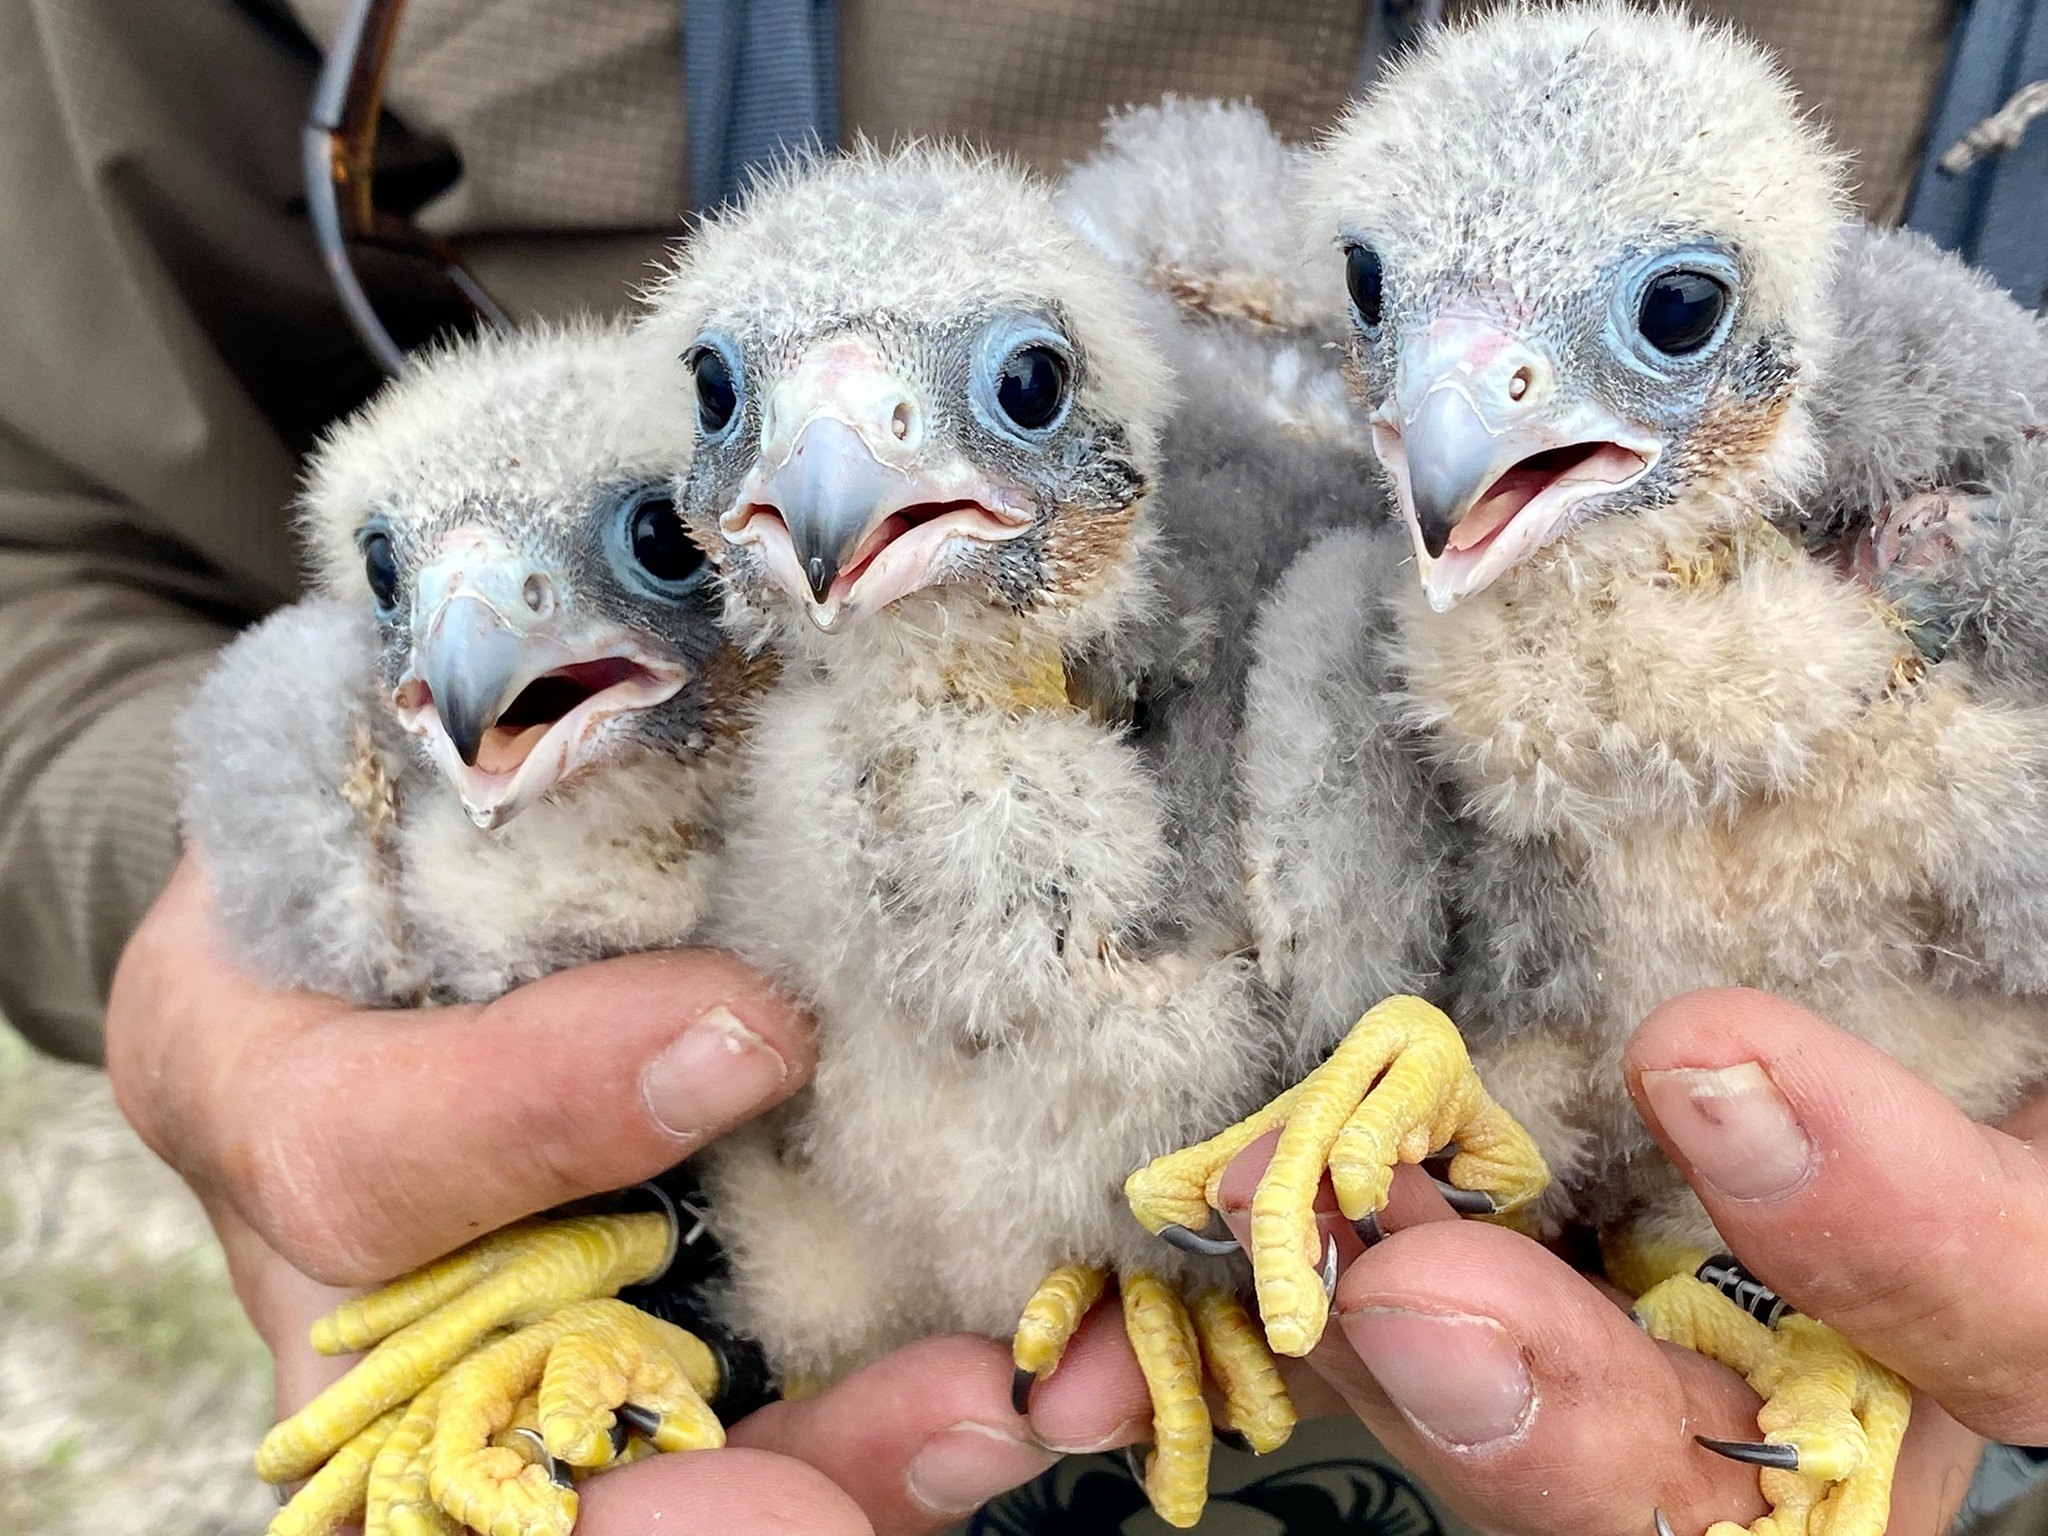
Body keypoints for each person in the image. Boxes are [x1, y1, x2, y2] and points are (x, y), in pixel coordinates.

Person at [7, 1, 2042, 1531]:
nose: (831, 479)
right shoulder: (762, 702)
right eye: (732, 416)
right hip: (774, 1372)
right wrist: (259, 984)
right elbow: (53, 545)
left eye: (1007, 394)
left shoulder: (1427, 639)